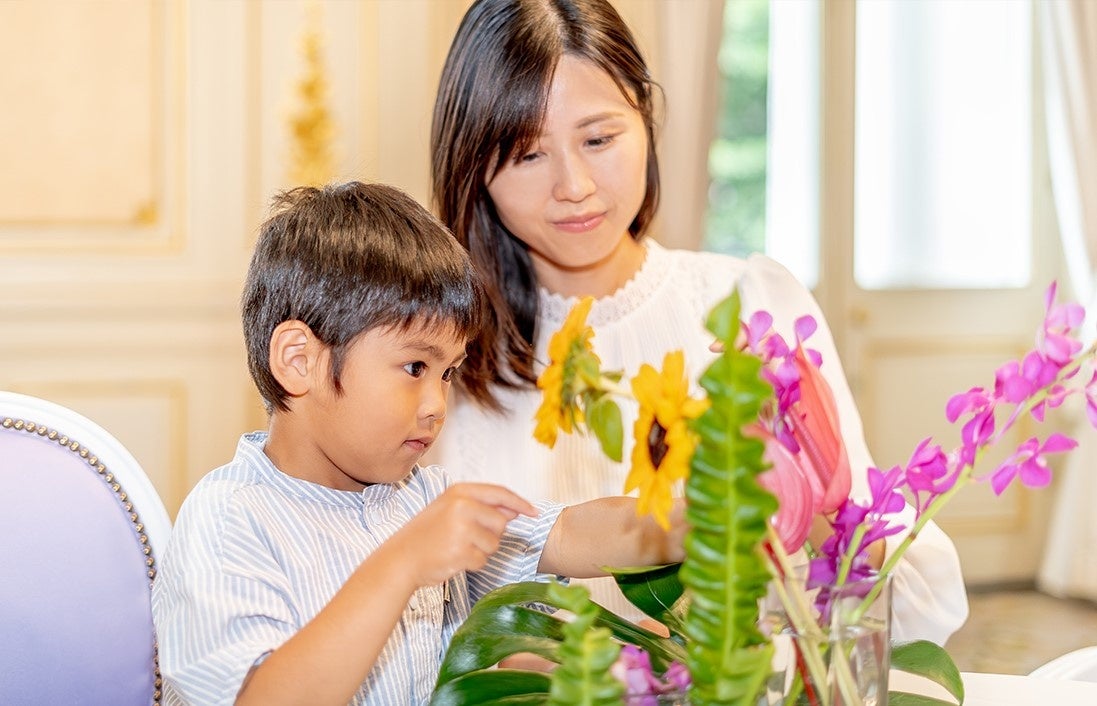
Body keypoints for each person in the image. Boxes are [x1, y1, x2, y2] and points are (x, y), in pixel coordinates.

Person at [428, 0, 968, 644]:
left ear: (647, 120)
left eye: (599, 139)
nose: (573, 185)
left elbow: (868, 564)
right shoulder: (437, 352)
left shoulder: (748, 307)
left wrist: (807, 504)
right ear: (473, 166)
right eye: (526, 155)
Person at [151, 181, 686, 706]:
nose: (436, 404)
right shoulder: (227, 521)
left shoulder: (421, 497)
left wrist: (710, 521)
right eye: (414, 367)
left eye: (448, 372)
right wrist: (403, 563)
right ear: (299, 360)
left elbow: (569, 532)